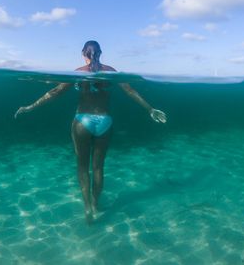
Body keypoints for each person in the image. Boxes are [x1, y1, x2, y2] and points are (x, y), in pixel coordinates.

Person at [15, 40, 167, 224]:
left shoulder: (78, 73)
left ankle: (87, 207)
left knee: (82, 168)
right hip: (105, 121)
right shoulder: (111, 71)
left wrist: (30, 107)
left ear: (83, 54)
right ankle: (96, 203)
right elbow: (130, 91)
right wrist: (150, 109)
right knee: (98, 168)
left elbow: (55, 92)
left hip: (82, 121)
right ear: (101, 53)